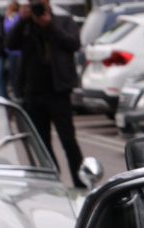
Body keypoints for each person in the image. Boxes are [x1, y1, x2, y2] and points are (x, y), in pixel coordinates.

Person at [7, 0, 86, 185]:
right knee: (42, 143)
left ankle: (81, 183)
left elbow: (73, 43)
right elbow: (10, 44)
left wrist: (50, 24)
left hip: (58, 91)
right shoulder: (25, 25)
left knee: (68, 140)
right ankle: (52, 183)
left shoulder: (63, 20)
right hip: (32, 92)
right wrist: (21, 20)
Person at [3, 1, 23, 101]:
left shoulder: (17, 17)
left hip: (18, 51)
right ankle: (16, 91)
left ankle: (18, 92)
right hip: (11, 50)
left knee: (17, 71)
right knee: (13, 72)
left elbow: (10, 29)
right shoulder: (9, 18)